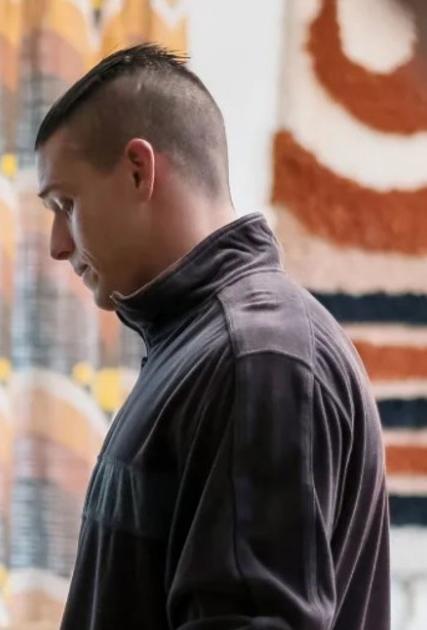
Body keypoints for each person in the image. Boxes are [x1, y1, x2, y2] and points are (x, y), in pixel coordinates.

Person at [34, 44, 390, 629]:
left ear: (138, 170)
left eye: (65, 205)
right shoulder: (205, 347)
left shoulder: (257, 357)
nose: (57, 245)